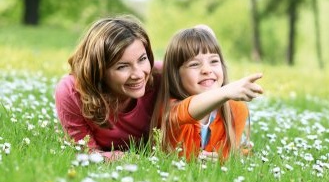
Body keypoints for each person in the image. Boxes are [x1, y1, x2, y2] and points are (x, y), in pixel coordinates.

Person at [55, 15, 161, 161]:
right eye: (122, 66)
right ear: (99, 70)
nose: (138, 74)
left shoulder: (160, 76)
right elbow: (87, 153)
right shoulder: (71, 91)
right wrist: (122, 157)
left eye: (142, 59)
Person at [151, 25, 263, 162]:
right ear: (176, 75)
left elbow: (228, 156)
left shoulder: (235, 110)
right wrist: (225, 91)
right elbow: (189, 109)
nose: (206, 70)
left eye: (214, 61)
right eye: (194, 64)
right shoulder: (170, 110)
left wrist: (222, 161)